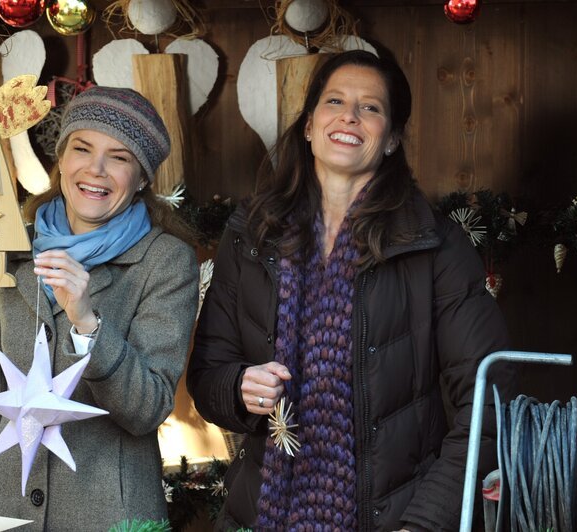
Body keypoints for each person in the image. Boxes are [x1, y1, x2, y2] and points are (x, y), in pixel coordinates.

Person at [187, 45, 515, 531]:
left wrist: (424, 523)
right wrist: (239, 388)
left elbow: (491, 399)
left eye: (371, 108)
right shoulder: (252, 237)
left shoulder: (435, 247)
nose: (350, 117)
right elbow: (208, 379)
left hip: (396, 517)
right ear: (308, 124)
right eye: (335, 101)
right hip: (264, 512)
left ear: (391, 138)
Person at [0, 86, 200, 530]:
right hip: (7, 514)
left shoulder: (165, 262)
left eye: (119, 157)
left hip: (110, 516)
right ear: (61, 157)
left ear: (144, 178)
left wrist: (87, 323)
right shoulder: (14, 251)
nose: (95, 169)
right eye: (82, 148)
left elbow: (147, 409)